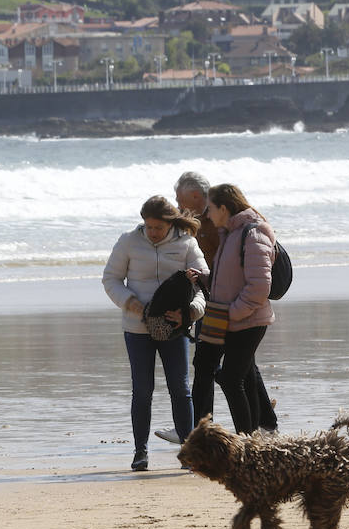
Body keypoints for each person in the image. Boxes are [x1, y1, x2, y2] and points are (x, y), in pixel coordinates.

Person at [167, 172, 277, 439]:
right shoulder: (228, 231)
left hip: (242, 318)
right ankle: (238, 433)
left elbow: (260, 286)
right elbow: (226, 274)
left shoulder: (253, 232)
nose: (207, 213)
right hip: (226, 314)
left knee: (232, 377)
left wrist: (232, 313)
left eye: (211, 209)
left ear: (223, 208)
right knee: (228, 374)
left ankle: (247, 438)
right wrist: (204, 279)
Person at [103, 196, 208, 471]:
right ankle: (140, 452)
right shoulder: (128, 241)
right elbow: (111, 278)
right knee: (142, 390)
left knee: (180, 388)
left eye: (158, 228)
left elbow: (203, 282)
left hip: (175, 328)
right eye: (148, 227)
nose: (152, 232)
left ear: (170, 224)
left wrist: (189, 313)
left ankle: (189, 451)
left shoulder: (186, 243)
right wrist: (129, 301)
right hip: (137, 327)